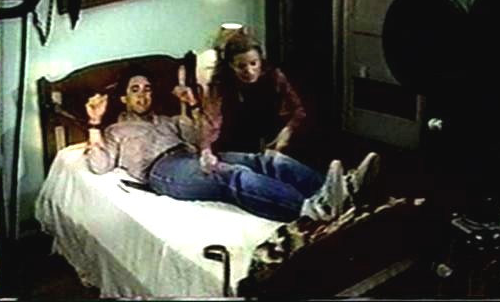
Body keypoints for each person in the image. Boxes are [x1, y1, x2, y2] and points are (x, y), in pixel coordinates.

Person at [84, 65, 380, 222]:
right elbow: (99, 165)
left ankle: (343, 188)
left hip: (191, 156)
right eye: (135, 90)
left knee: (265, 159)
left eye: (147, 89)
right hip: (162, 171)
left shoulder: (168, 120)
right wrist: (94, 122)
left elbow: (203, 137)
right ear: (123, 98)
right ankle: (313, 209)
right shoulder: (116, 131)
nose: (143, 95)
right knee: (234, 175)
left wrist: (194, 106)